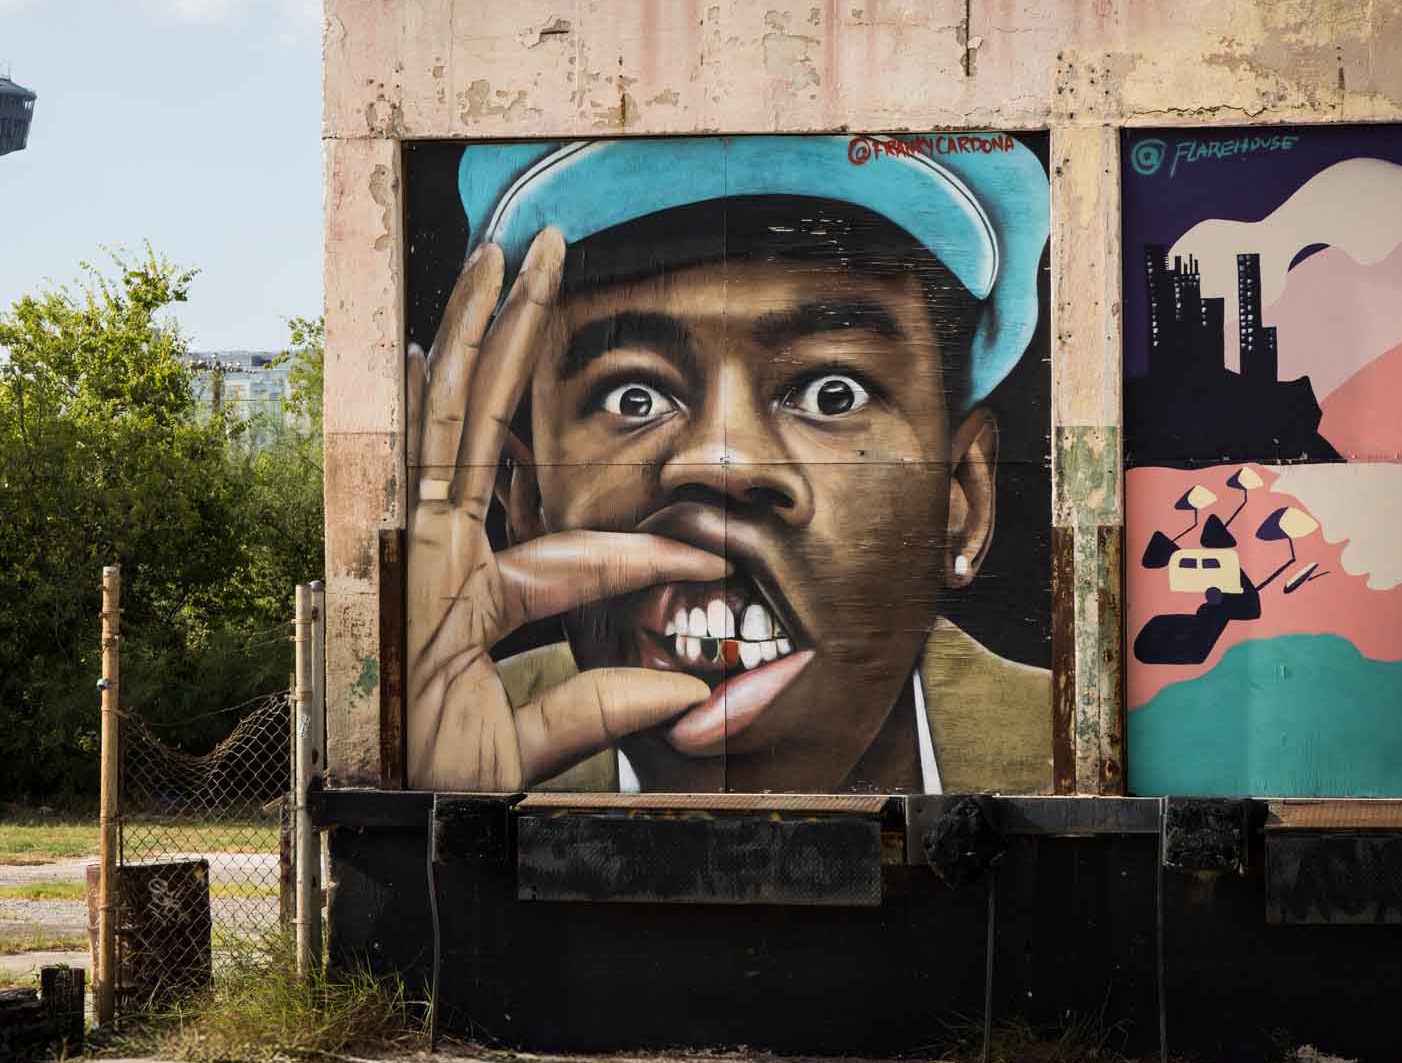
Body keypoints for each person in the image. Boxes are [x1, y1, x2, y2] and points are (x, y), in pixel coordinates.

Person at [403, 135, 1052, 794]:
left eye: (834, 392)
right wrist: (448, 812)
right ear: (528, 504)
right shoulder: (449, 746)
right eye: (635, 396)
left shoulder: (1053, 749)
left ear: (961, 500)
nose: (721, 461)